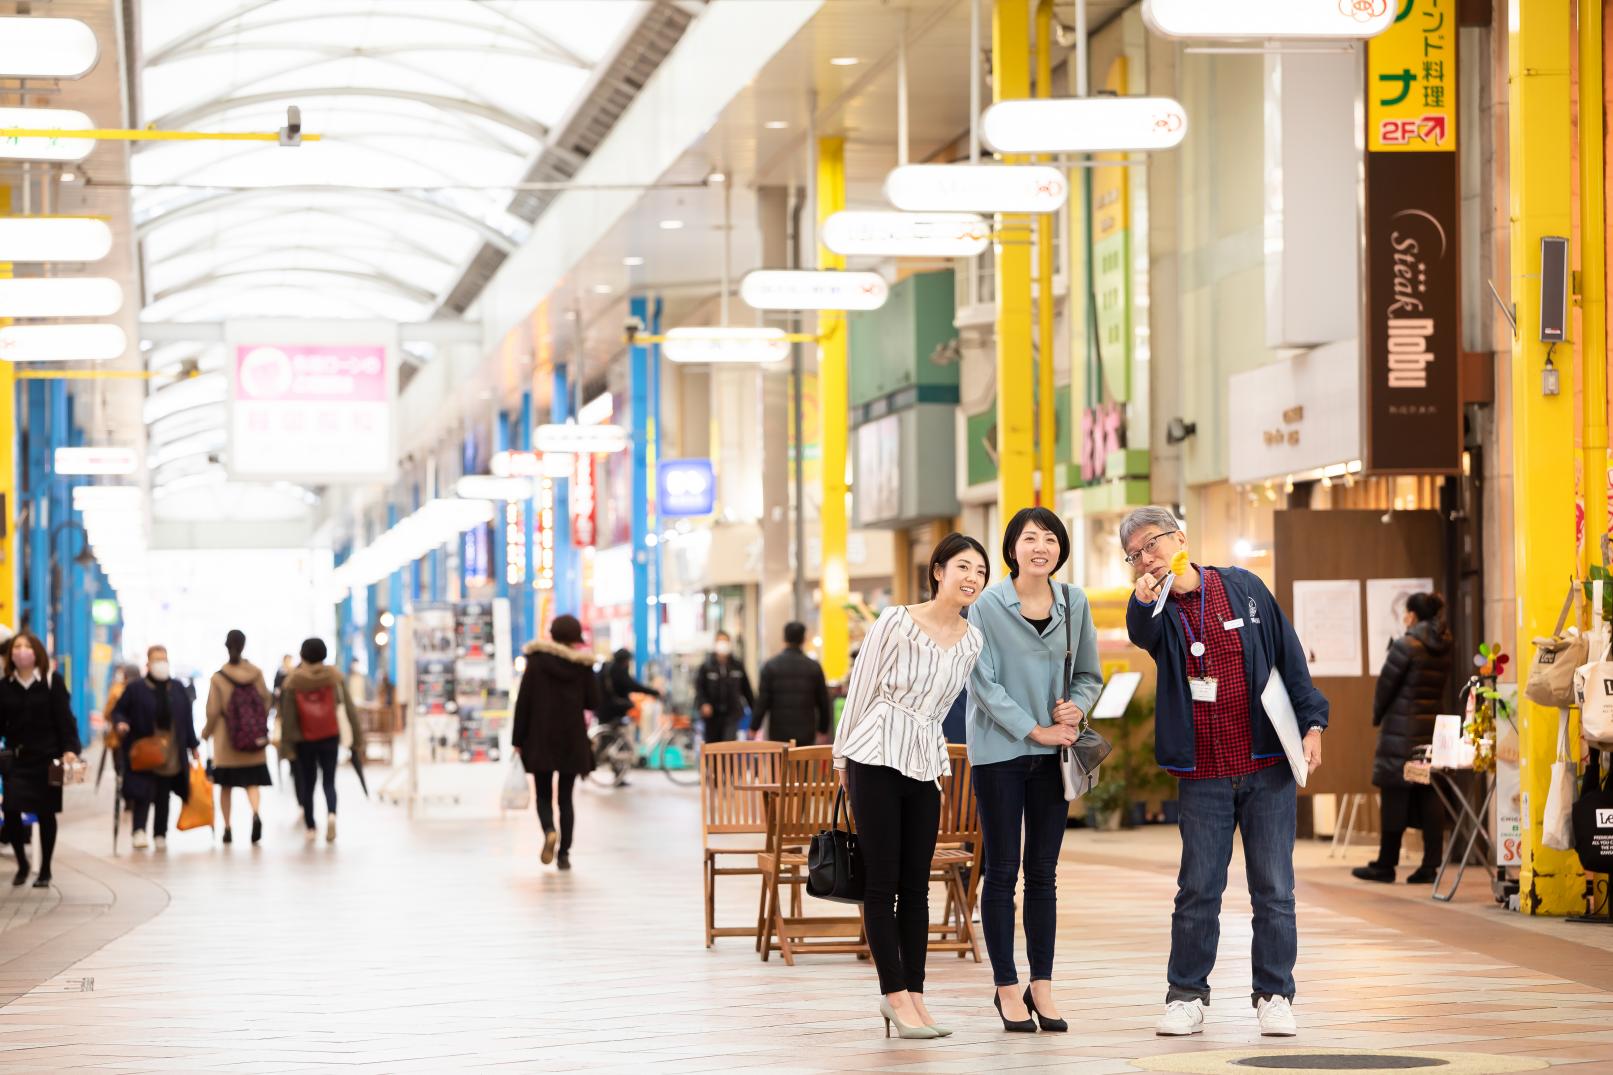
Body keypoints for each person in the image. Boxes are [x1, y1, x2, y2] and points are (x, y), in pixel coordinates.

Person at [1120, 506, 1328, 1038]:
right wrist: (1144, 600)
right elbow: (1141, 632)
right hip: (1204, 774)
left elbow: (1289, 658)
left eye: (1153, 543)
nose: (1148, 557)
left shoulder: (1243, 588)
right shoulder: (1155, 606)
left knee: (1275, 889)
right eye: (1136, 553)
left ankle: (1275, 994)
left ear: (1180, 537)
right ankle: (1186, 995)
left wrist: (1313, 724)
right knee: (1198, 888)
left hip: (1266, 766)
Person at [834, 533, 989, 1041]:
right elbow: (861, 686)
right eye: (963, 566)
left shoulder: (972, 639)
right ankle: (893, 994)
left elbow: (946, 709)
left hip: (925, 758)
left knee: (916, 886)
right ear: (938, 570)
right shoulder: (897, 620)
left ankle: (917, 996)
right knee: (882, 884)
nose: (972, 578)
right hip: (875, 751)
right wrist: (841, 756)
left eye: (980, 572)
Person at [966, 507, 1102, 1033]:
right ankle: (1006, 987)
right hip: (1000, 752)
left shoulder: (1074, 602)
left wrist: (1076, 708)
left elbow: (1088, 673)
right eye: (1029, 538)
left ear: (1060, 549)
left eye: (1049, 538)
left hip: (1056, 756)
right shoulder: (986, 606)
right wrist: (1033, 728)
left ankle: (1041, 985)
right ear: (1012, 548)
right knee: (1002, 870)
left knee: (1043, 872)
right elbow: (983, 684)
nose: (1040, 547)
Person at [1355, 592, 1452, 885]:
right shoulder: (1445, 645)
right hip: (1430, 729)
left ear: (1412, 615)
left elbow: (1385, 687)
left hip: (1401, 731)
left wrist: (1376, 716)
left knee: (1394, 793)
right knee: (1428, 793)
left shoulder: (1405, 645)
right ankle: (1430, 865)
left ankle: (1386, 864)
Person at [512, 614, 601, 870]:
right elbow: (593, 702)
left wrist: (518, 739)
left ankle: (550, 830)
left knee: (542, 795)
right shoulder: (581, 666)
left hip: (539, 738)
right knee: (565, 799)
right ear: (575, 639)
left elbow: (524, 702)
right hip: (571, 739)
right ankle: (564, 854)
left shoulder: (537, 662)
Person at [0, 632, 81, 887]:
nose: (21, 651)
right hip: (17, 759)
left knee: (46, 813)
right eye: (17, 647)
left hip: (48, 759)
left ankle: (45, 868)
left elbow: (65, 721)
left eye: (26, 646)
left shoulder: (51, 682)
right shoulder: (5, 685)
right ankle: (23, 864)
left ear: (37, 652)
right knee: (10, 809)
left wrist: (70, 749)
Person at [113, 645, 201, 851]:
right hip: (145, 749)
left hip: (171, 750)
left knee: (163, 793)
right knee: (142, 792)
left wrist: (193, 745)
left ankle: (160, 833)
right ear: (148, 663)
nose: (161, 663)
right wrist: (121, 723)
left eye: (164, 659)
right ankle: (139, 830)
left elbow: (187, 720)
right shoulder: (136, 689)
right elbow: (120, 711)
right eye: (156, 659)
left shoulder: (177, 688)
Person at [278, 638, 364, 843]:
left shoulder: (293, 681)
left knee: (308, 783)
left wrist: (286, 745)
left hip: (304, 739)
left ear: (303, 655)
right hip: (330, 735)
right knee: (329, 781)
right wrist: (357, 738)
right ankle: (332, 815)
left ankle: (311, 826)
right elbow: (348, 708)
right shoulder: (334, 677)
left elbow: (288, 717)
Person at [201, 630, 274, 845]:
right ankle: (256, 814)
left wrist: (206, 733)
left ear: (226, 646)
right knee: (252, 783)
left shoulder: (218, 677)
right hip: (253, 741)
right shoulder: (256, 673)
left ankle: (228, 827)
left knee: (226, 786)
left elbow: (213, 711)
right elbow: (267, 701)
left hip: (227, 740)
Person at [753, 622, 832, 745]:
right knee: (804, 764)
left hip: (778, 732)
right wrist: (823, 729)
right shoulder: (814, 667)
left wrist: (754, 727)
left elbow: (762, 701)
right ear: (803, 639)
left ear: (784, 638)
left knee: (780, 763)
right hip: (806, 732)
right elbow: (823, 702)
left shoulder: (770, 666)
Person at [694, 631, 753, 743]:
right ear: (715, 643)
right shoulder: (706, 667)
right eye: (720, 641)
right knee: (712, 749)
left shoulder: (737, 666)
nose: (722, 644)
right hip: (712, 717)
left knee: (727, 748)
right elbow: (700, 689)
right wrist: (703, 704)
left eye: (725, 641)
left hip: (732, 714)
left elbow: (747, 690)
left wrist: (755, 718)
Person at [597, 648, 660, 727]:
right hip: (612, 707)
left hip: (601, 707)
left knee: (606, 732)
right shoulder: (618, 670)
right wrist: (654, 692)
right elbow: (633, 685)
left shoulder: (606, 667)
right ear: (624, 660)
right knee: (633, 707)